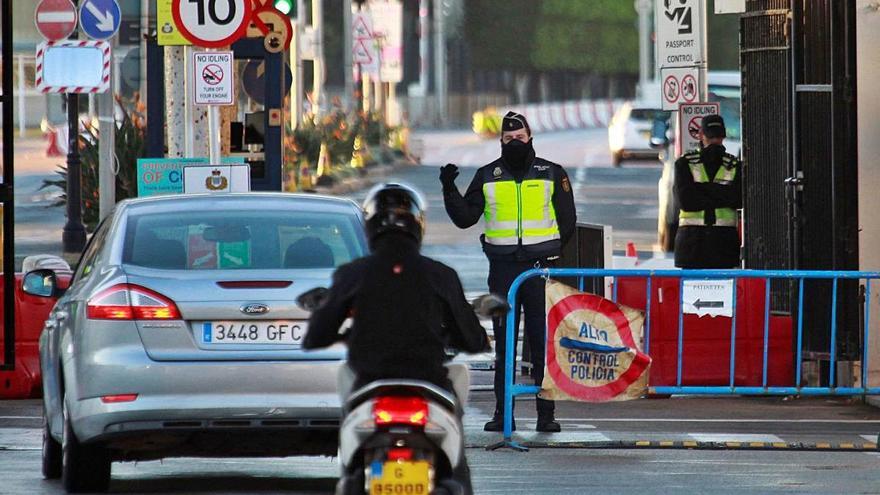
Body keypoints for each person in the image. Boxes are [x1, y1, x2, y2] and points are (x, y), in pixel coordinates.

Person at [302, 183, 489, 493]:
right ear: (418, 225)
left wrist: (336, 331)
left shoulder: (353, 273)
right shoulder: (440, 275)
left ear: (370, 225)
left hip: (370, 382)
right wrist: (474, 337)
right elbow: (471, 337)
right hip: (429, 382)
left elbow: (316, 335)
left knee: (348, 460)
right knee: (456, 464)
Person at [439, 111, 577, 433]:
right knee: (504, 344)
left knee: (542, 341)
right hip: (502, 270)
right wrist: (449, 189)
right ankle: (503, 414)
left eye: (520, 138)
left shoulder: (552, 173)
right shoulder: (488, 175)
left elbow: (567, 220)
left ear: (530, 138)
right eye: (508, 139)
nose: (515, 142)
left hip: (539, 270)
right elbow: (465, 218)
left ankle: (546, 414)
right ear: (500, 141)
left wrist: (550, 252)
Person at [673, 114, 743, 269]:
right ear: (724, 136)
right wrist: (721, 193)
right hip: (722, 245)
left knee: (692, 291)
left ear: (701, 135)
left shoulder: (684, 164)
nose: (715, 140)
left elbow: (738, 199)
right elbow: (687, 202)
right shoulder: (734, 166)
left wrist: (701, 190)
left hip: (693, 245)